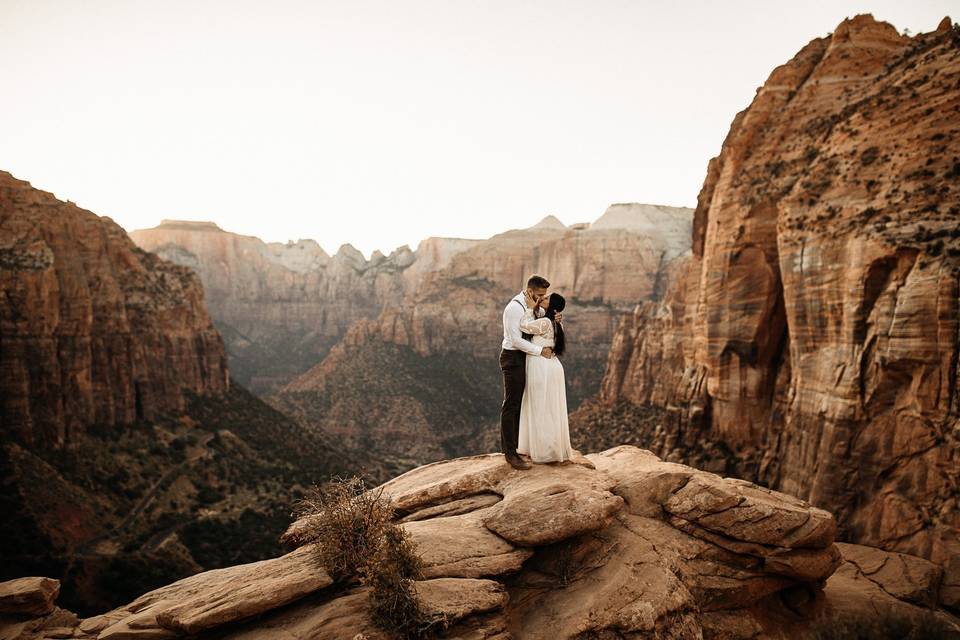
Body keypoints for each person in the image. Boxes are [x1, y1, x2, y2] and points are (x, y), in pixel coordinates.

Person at [499, 275, 553, 470]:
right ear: (530, 291)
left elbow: (535, 328)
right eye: (539, 294)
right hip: (513, 358)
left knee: (524, 403)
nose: (542, 298)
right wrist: (541, 351)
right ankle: (510, 453)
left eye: (544, 295)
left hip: (526, 357)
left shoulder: (532, 305)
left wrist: (553, 319)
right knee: (512, 404)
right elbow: (515, 340)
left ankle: (522, 446)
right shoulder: (514, 308)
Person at [516, 292, 574, 463]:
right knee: (550, 408)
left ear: (552, 306)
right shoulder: (557, 324)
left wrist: (529, 308)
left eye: (547, 298)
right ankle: (549, 448)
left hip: (541, 366)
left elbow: (523, 326)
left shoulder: (546, 322)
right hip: (553, 366)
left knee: (539, 406)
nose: (543, 298)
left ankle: (542, 451)